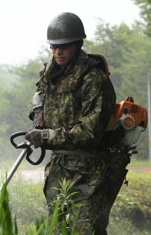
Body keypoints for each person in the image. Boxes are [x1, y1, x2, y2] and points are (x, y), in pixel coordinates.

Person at [25, 12, 129, 234]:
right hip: (58, 167)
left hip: (89, 172)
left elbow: (89, 132)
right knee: (57, 230)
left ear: (77, 44)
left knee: (87, 230)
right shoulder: (51, 72)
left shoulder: (94, 80)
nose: (57, 52)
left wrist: (45, 137)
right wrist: (38, 114)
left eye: (63, 47)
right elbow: (40, 92)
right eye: (53, 47)